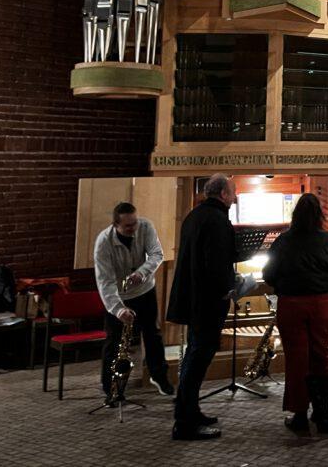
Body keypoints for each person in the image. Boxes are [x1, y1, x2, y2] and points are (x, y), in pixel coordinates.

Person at [263, 193, 328, 432]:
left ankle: (299, 414)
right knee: (321, 355)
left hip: (291, 304)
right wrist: (327, 281)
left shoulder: (283, 241)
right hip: (321, 303)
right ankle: (323, 412)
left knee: (296, 358)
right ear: (319, 215)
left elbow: (269, 274)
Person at [166, 174, 236, 441]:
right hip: (208, 302)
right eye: (232, 192)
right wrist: (229, 289)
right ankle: (184, 422)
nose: (235, 197)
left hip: (193, 298)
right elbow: (216, 264)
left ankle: (191, 411)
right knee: (197, 359)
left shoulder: (195, 215)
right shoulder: (217, 220)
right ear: (223, 194)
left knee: (196, 355)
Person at [93, 201, 174, 402]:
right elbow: (105, 281)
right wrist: (118, 310)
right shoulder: (103, 243)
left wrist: (142, 273)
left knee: (153, 334)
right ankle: (111, 388)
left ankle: (159, 376)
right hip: (118, 295)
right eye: (128, 226)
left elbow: (157, 254)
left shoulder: (145, 226)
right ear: (116, 225)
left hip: (144, 289)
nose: (133, 228)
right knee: (115, 342)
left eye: (135, 223)